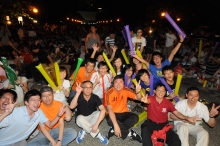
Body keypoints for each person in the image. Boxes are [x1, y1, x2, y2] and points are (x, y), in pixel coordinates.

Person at [0, 89, 65, 146]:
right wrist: (6, 113)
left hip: (19, 141)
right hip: (3, 143)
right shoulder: (15, 112)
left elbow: (50, 125)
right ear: (26, 102)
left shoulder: (39, 112)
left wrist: (58, 116)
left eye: (38, 100)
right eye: (33, 100)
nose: (36, 103)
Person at [104, 75, 147, 143]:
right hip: (112, 113)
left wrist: (138, 92)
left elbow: (137, 98)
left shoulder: (125, 89)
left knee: (135, 118)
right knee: (110, 120)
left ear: (123, 83)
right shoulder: (109, 93)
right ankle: (130, 133)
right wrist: (116, 125)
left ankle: (113, 129)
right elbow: (109, 110)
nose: (118, 84)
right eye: (116, 82)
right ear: (113, 83)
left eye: (121, 82)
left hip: (124, 113)